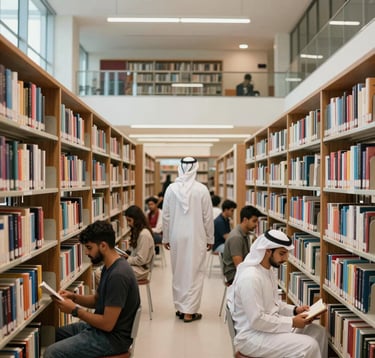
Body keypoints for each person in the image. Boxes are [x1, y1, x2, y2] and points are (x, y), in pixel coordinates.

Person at [44, 220, 140, 358]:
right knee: (52, 335)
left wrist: (75, 310)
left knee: (52, 352)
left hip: (112, 339)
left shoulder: (118, 275)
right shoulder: (110, 266)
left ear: (103, 246)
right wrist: (73, 297)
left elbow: (107, 324)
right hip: (102, 331)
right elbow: (96, 300)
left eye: (89, 248)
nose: (86, 252)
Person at [227, 230, 328, 358]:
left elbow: (275, 305)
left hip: (269, 328)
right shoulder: (250, 277)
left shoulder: (268, 271)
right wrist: (292, 322)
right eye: (282, 254)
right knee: (309, 345)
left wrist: (296, 311)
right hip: (252, 337)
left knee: (319, 332)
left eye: (286, 254)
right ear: (268, 250)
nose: (285, 259)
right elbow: (257, 320)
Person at [162, 156, 214, 323]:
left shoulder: (171, 189)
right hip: (196, 236)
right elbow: (208, 217)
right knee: (194, 272)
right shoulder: (201, 189)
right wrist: (210, 237)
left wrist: (166, 237)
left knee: (178, 272)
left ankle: (180, 307)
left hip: (176, 236)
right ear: (196, 168)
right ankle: (189, 312)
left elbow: (166, 216)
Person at [222, 205, 262, 284]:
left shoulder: (244, 233)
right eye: (254, 221)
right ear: (245, 220)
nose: (256, 224)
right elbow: (239, 266)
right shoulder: (236, 237)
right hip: (234, 275)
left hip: (239, 271)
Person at [124, 205, 155, 280]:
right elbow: (133, 251)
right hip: (137, 267)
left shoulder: (144, 235)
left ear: (137, 220)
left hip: (141, 270)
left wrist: (126, 259)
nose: (128, 223)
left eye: (129, 220)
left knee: (113, 274)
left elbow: (141, 260)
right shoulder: (138, 231)